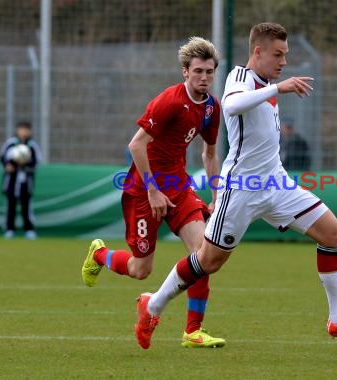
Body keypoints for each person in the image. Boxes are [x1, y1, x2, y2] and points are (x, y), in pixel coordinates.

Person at [134, 22, 337, 350]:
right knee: (209, 261)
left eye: (286, 55)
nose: (283, 61)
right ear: (258, 52)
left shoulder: (266, 82)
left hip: (277, 183)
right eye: (277, 54)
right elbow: (232, 105)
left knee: (334, 234)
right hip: (241, 188)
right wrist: (278, 89)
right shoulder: (240, 77)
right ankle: (152, 304)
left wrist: (275, 87)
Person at [81, 37, 225, 348]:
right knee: (140, 269)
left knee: (204, 254)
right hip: (143, 190)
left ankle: (193, 332)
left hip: (178, 188)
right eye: (198, 71)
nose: (204, 77)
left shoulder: (212, 107)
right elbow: (136, 145)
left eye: (210, 72)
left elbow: (210, 153)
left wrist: (215, 196)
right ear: (185, 71)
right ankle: (99, 254)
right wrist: (153, 190)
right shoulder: (170, 101)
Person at [0, 121, 41, 239]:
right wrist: (8, 166)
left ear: (29, 131)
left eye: (26, 129)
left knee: (26, 208)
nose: (23, 132)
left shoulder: (32, 146)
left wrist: (25, 164)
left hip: (26, 183)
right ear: (17, 130)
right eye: (21, 129)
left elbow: (36, 163)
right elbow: (2, 158)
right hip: (11, 182)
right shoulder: (10, 144)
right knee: (10, 206)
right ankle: (9, 229)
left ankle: (29, 230)